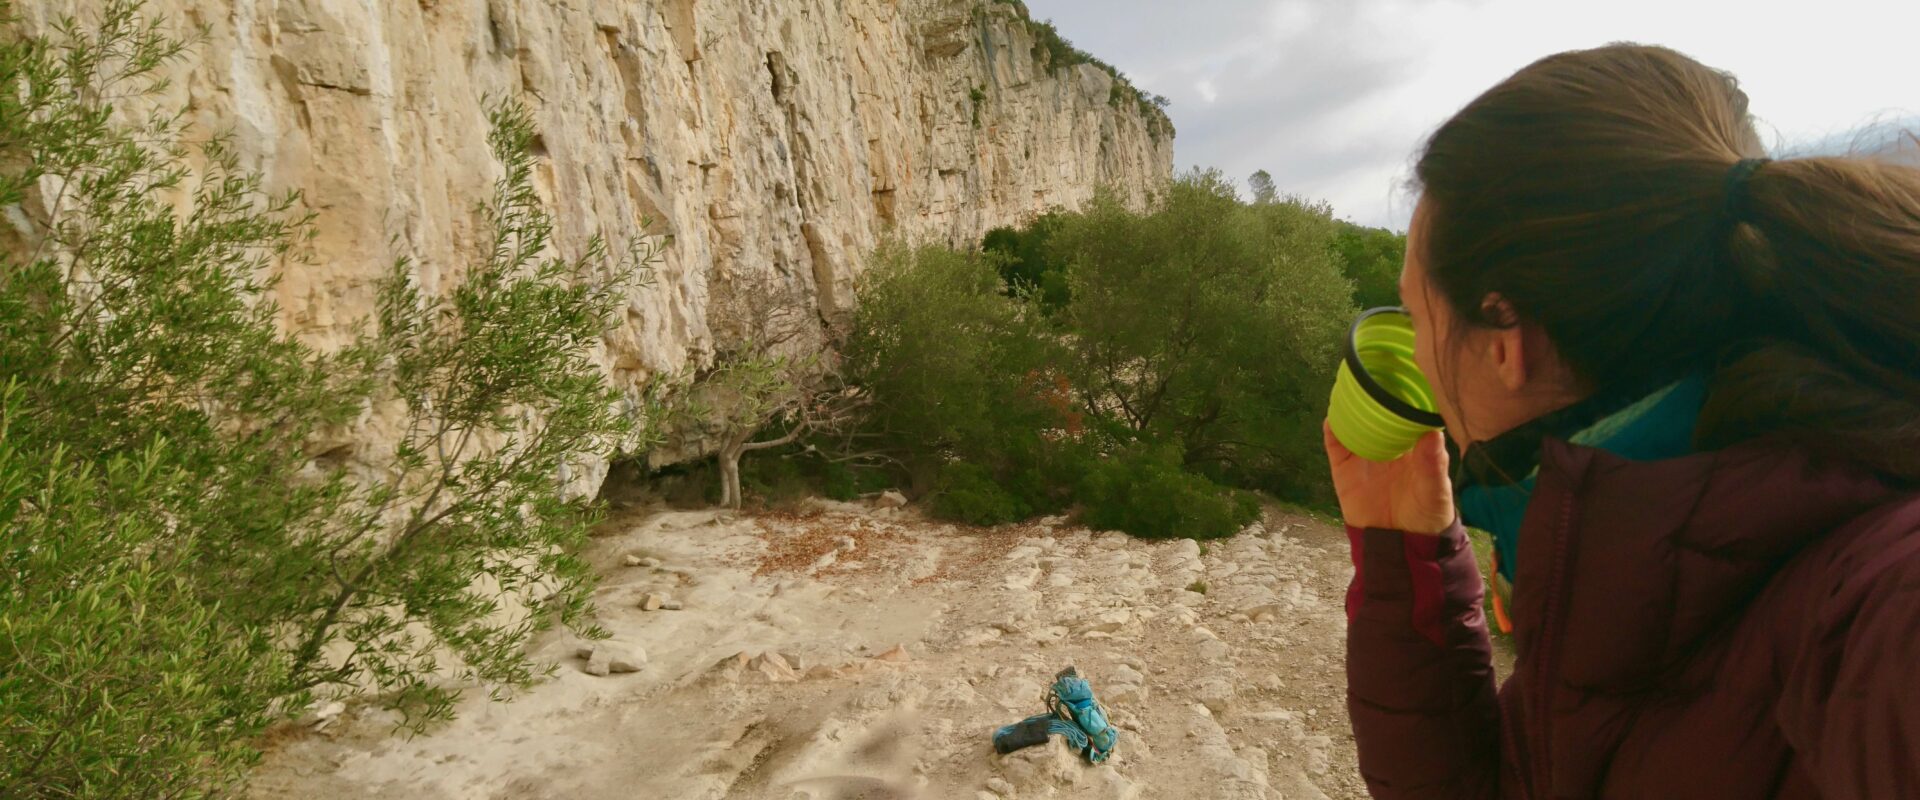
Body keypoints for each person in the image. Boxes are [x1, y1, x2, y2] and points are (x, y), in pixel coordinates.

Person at [1328, 43, 1920, 799]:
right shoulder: (1637, 537)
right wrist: (1403, 564)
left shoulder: (1878, 609)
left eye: (1415, 314)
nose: (1415, 349)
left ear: (1505, 339)